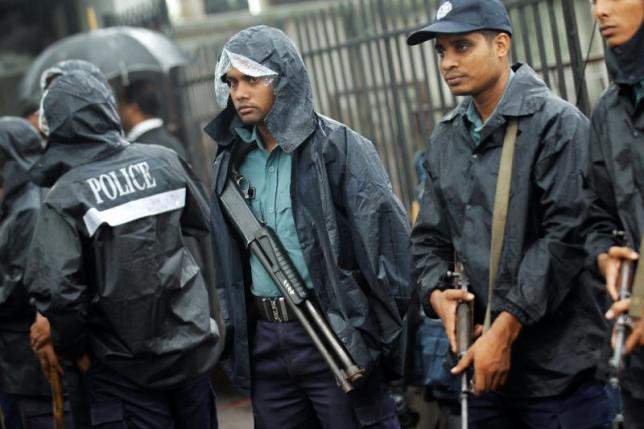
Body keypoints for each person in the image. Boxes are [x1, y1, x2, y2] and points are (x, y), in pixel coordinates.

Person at [408, 0, 611, 427]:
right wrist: (437, 297)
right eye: (441, 51)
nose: (448, 62)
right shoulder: (447, 138)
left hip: (559, 375)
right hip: (480, 371)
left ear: (501, 44)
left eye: (461, 46)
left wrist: (504, 327)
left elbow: (565, 240)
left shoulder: (557, 124)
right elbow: (427, 240)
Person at [205, 25, 411, 429]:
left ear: (284, 80)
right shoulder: (229, 165)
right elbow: (228, 270)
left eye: (252, 79)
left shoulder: (340, 148)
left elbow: (390, 254)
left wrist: (369, 340)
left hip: (333, 335)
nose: (240, 92)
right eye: (232, 82)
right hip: (267, 342)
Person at [24, 61, 220, 428]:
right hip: (190, 352)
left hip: (122, 370)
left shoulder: (65, 195)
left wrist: (77, 351)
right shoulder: (164, 162)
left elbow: (59, 293)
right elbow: (202, 224)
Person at [583, 0, 644, 427]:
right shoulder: (608, 111)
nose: (600, 10)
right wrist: (605, 253)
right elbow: (595, 211)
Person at [0, 117, 75, 429]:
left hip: (31, 362)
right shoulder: (17, 202)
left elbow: (23, 285)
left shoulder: (29, 208)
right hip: (18, 361)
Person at [117, 80, 187, 158]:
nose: (118, 112)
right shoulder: (174, 143)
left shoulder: (135, 150)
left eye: (121, 106)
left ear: (134, 108)